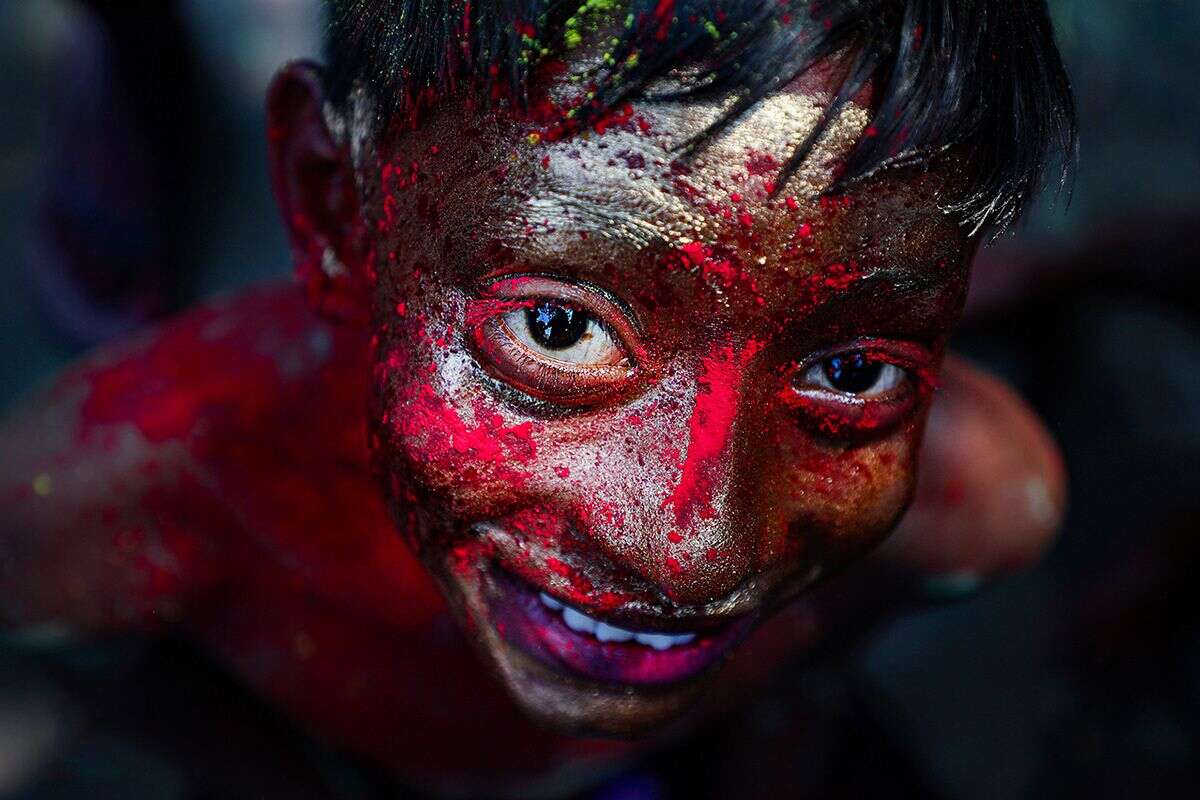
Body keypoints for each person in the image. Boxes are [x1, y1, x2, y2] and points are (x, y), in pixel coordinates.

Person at [0, 1, 1074, 795]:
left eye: (852, 369)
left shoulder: (970, 504)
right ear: (337, 207)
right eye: (558, 329)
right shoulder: (109, 504)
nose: (700, 547)